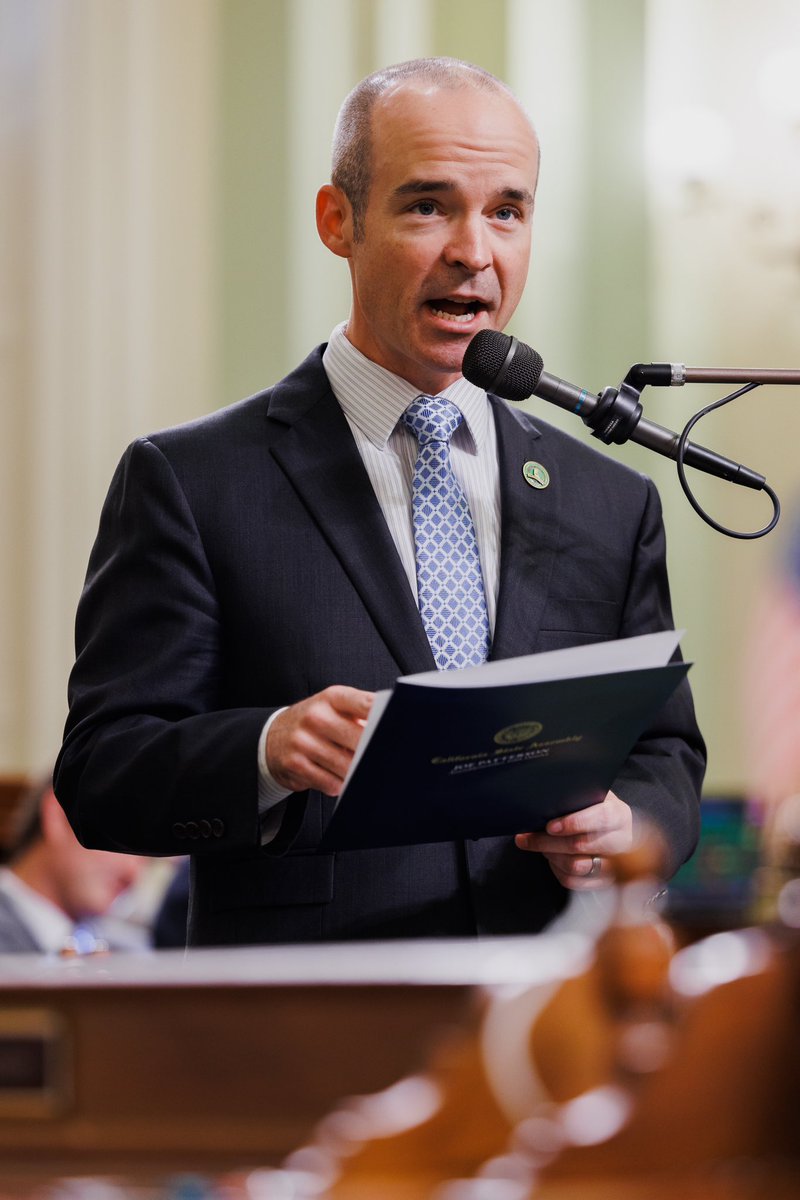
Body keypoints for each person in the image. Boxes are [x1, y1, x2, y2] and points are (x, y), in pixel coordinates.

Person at [54, 57, 705, 946]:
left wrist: (631, 828)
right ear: (339, 220)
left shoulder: (609, 500)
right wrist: (265, 749)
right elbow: (103, 773)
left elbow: (665, 752)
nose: (475, 251)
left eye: (507, 211)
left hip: (550, 1019)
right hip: (312, 1026)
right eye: (429, 205)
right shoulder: (193, 483)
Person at [0, 773, 147, 953]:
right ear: (60, 815)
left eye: (147, 858)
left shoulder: (129, 950)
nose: (132, 874)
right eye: (119, 841)